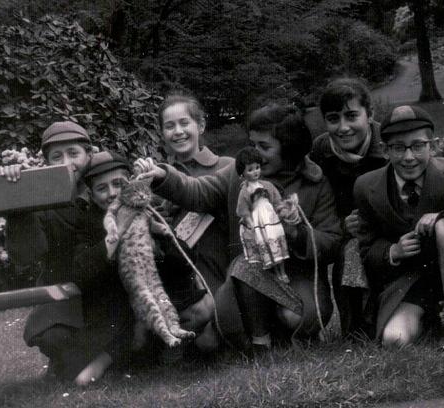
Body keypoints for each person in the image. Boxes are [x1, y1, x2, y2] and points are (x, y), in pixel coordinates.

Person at [134, 103, 341, 353]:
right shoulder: (239, 173)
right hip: (248, 275)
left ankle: (285, 335)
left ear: (289, 149)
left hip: (296, 276)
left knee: (294, 317)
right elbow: (199, 191)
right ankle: (259, 342)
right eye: (252, 144)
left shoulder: (316, 184)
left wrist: (295, 233)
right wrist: (162, 176)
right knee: (227, 322)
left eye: (264, 147)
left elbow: (331, 241)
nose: (255, 153)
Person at [72, 151, 215, 383]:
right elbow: (83, 273)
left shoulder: (145, 207)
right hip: (120, 304)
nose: (112, 193)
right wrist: (115, 234)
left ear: (129, 182)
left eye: (118, 184)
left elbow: (184, 261)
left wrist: (166, 240)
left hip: (157, 292)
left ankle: (169, 351)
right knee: (131, 340)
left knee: (202, 309)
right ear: (91, 193)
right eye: (102, 188)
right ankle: (125, 355)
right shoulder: (88, 222)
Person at [353, 105, 444, 347]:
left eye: (418, 145)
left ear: (433, 145)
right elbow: (366, 248)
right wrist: (393, 252)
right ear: (384, 150)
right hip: (410, 282)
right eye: (398, 148)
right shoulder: (366, 186)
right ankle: (430, 317)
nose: (408, 157)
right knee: (395, 339)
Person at [2, 121, 97, 382]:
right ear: (46, 164)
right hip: (62, 292)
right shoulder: (41, 201)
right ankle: (67, 358)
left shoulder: (104, 189)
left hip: (102, 290)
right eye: (57, 156)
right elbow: (26, 256)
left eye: (74, 153)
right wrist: (18, 199)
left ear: (90, 155)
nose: (66, 162)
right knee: (56, 338)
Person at [309, 77, 387, 339]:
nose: (343, 128)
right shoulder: (321, 149)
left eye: (352, 116)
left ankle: (379, 318)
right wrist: (342, 223)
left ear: (370, 114)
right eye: (333, 119)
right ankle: (354, 330)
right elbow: (315, 198)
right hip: (342, 229)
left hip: (389, 229)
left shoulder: (387, 147)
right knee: (348, 252)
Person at [156, 93, 234, 295]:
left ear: (200, 126)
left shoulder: (228, 167)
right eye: (170, 126)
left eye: (184, 123)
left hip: (222, 271)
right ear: (162, 133)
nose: (178, 132)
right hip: (178, 278)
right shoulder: (157, 179)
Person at [235, 147, 290, 283]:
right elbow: (243, 209)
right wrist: (250, 222)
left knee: (276, 242)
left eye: (257, 167)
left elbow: (276, 200)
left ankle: (282, 272)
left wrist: (282, 209)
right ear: (242, 173)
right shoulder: (245, 191)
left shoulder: (267, 185)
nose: (255, 172)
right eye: (250, 169)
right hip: (259, 220)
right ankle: (276, 273)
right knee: (267, 245)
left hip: (271, 217)